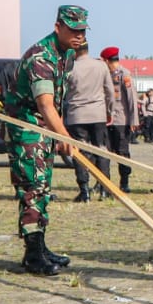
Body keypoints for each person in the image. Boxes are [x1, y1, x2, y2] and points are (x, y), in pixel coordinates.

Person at [5, 6, 88, 275]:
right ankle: (32, 254)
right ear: (58, 27)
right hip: (27, 128)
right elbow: (45, 104)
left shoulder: (68, 54)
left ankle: (39, 246)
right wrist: (64, 137)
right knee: (33, 186)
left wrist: (57, 134)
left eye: (82, 30)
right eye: (73, 29)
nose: (79, 35)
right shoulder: (41, 57)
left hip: (44, 129)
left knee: (43, 186)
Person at [64, 41, 114, 202]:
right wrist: (109, 111)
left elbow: (63, 92)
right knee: (101, 150)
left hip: (77, 115)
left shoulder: (70, 67)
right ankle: (104, 189)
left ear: (74, 50)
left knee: (80, 153)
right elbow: (110, 92)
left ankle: (84, 190)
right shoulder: (101, 66)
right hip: (98, 114)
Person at [100, 46, 139, 191]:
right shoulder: (105, 74)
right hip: (106, 120)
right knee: (104, 152)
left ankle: (124, 182)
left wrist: (134, 121)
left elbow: (132, 99)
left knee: (122, 153)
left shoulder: (125, 74)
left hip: (121, 121)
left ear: (107, 60)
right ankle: (104, 183)